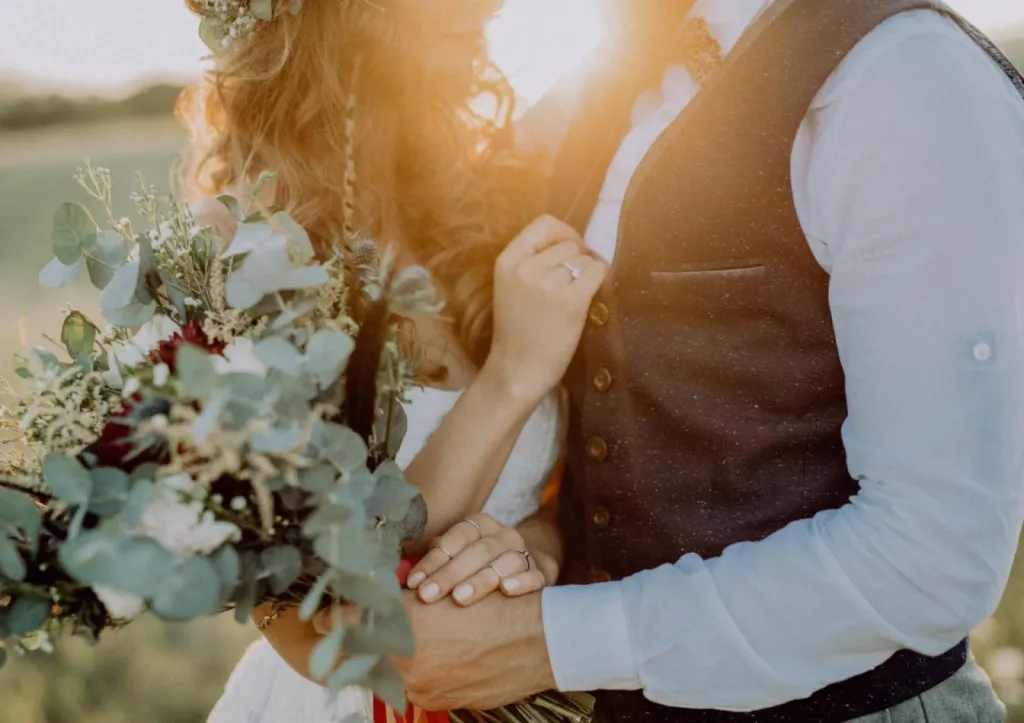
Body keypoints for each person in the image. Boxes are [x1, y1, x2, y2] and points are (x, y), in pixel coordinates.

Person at [389, 1, 1024, 722]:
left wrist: (548, 640)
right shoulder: (601, 79)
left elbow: (933, 553)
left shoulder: (909, 78)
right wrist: (536, 545)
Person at [186, 1, 605, 721]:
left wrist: (536, 547)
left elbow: (567, 486)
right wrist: (510, 375)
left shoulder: (495, 197)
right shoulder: (231, 255)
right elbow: (316, 622)